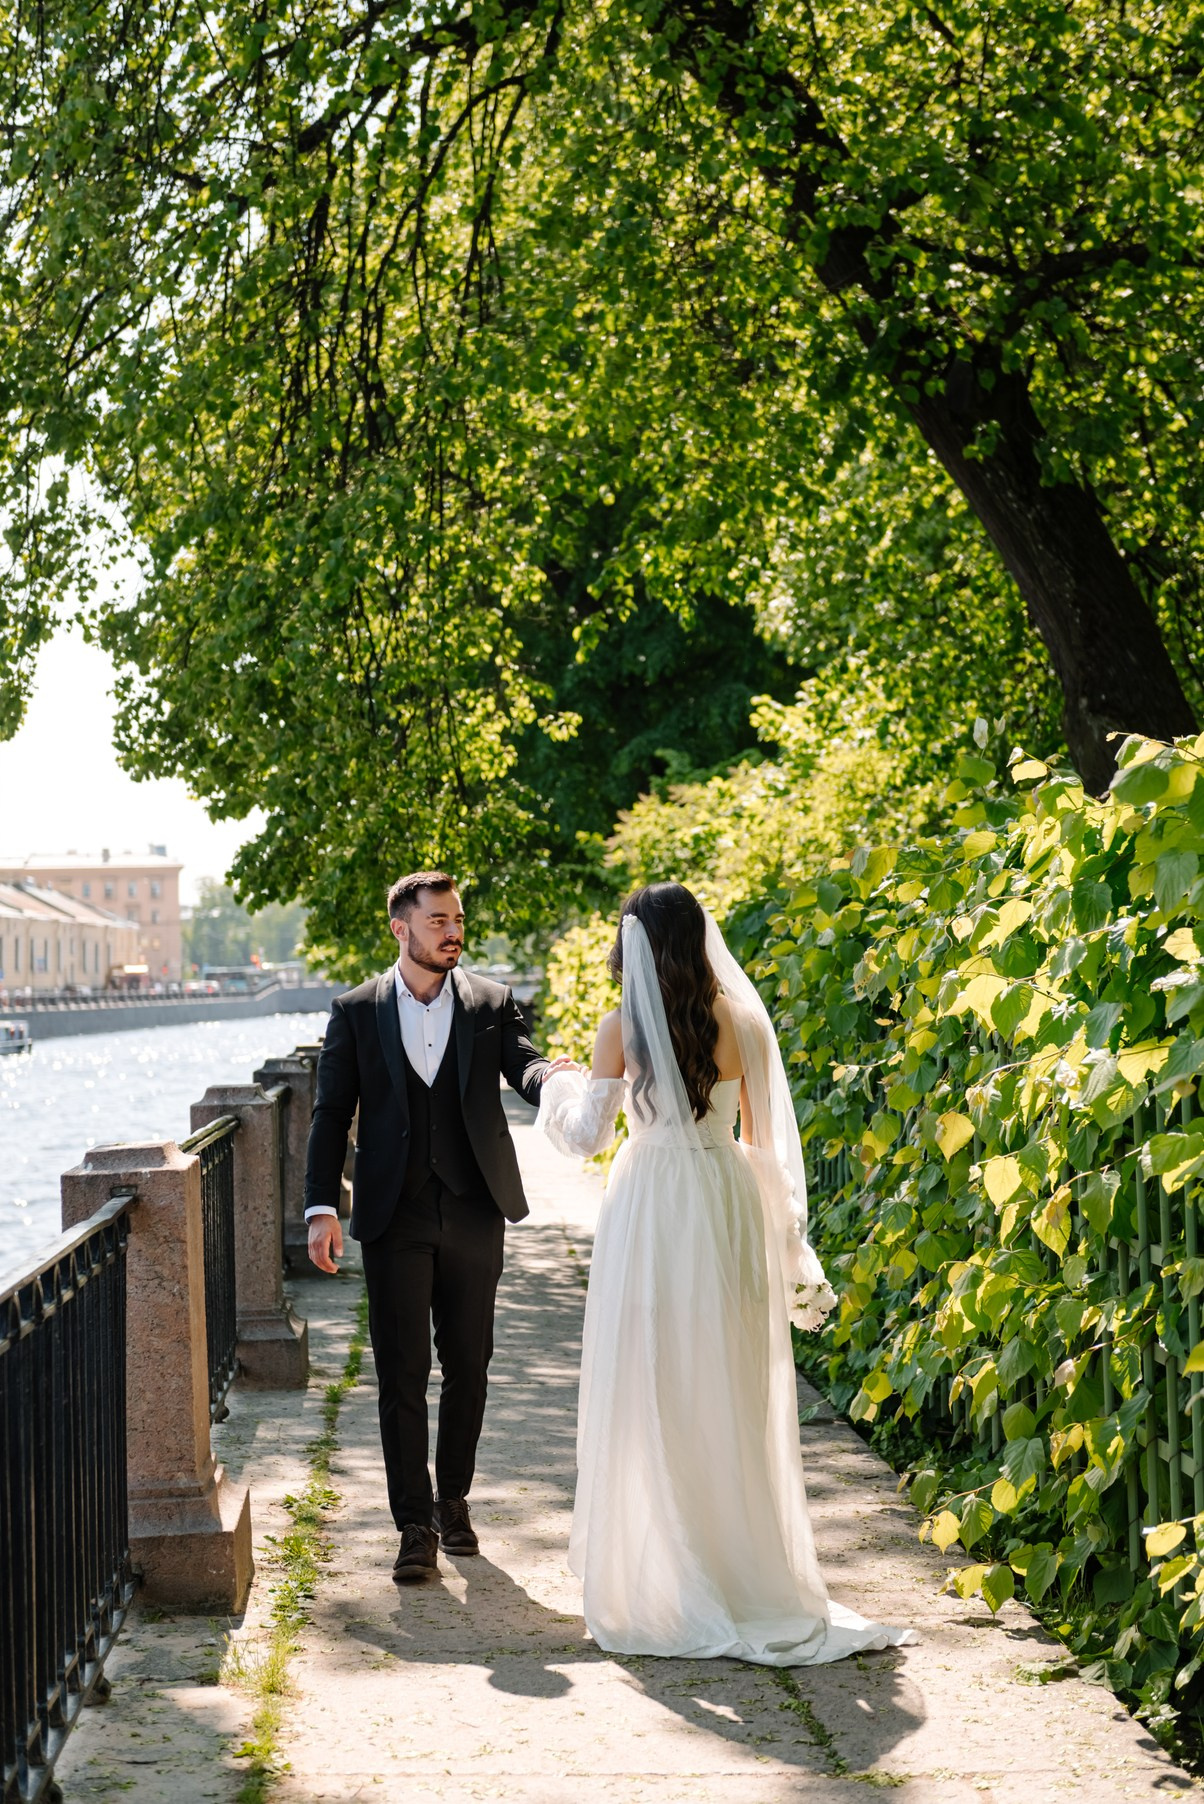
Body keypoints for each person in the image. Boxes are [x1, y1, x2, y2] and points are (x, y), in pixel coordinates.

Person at [537, 881, 916, 1665]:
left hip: (650, 1204)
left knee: (650, 1379)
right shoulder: (742, 1023)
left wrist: (562, 1083)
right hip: (723, 1198)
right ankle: (743, 1566)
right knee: (726, 1382)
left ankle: (667, 1574)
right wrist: (783, 1242)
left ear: (634, 945)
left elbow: (583, 1138)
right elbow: (768, 1146)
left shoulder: (621, 1028)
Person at [304, 870, 569, 1582]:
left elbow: (524, 1064)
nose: (452, 931)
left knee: (470, 1365)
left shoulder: (490, 1002)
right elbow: (331, 1114)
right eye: (437, 921)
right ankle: (412, 1524)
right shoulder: (356, 1011)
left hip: (475, 1205)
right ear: (401, 928)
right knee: (400, 1372)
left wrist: (555, 1081)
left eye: (456, 920)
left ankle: (453, 1501)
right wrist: (321, 1205)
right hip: (394, 1212)